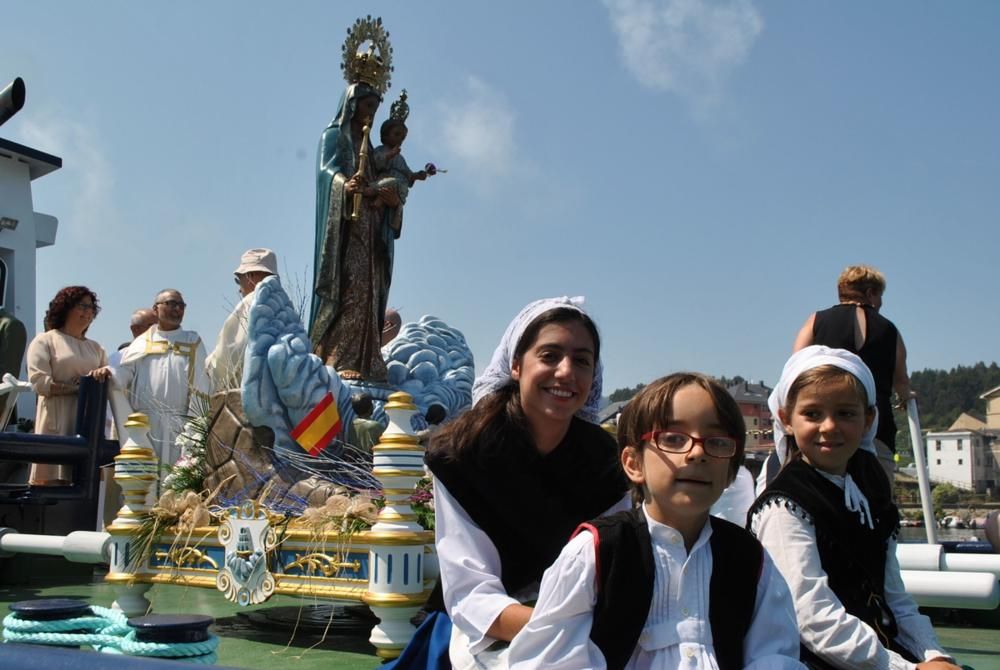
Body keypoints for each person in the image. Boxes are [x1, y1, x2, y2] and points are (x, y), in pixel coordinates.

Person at [508, 373, 803, 670]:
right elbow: (548, 659)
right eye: (674, 439)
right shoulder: (597, 552)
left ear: (730, 470)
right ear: (634, 464)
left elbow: (774, 655)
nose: (698, 453)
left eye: (716, 442)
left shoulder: (750, 559)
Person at [423, 297, 630, 669]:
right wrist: (555, 628)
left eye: (581, 360)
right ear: (516, 365)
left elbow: (614, 572)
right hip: (480, 631)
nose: (566, 372)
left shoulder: (608, 464)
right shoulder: (462, 455)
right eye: (550, 356)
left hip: (582, 634)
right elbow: (470, 589)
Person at [748, 346, 960, 670]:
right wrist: (905, 667)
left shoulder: (870, 489)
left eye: (846, 413)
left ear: (868, 419)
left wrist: (933, 654)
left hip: (880, 655)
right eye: (813, 414)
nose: (830, 426)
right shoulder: (784, 506)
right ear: (786, 419)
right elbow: (812, 617)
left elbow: (894, 597)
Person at [309, 80, 401, 382]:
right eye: (367, 106)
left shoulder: (371, 149)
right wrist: (342, 185)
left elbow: (378, 182)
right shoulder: (334, 135)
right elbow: (326, 173)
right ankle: (339, 355)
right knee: (350, 286)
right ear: (352, 104)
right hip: (345, 229)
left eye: (375, 109)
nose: (371, 115)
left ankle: (367, 359)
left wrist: (388, 200)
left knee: (369, 291)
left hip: (371, 228)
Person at [793, 265, 914, 478]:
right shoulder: (890, 330)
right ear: (871, 293)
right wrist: (906, 399)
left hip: (824, 427)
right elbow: (901, 381)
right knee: (876, 496)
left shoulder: (816, 320)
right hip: (875, 425)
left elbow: (796, 366)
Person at [112, 289, 209, 472]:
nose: (177, 309)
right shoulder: (142, 342)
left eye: (181, 305)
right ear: (155, 309)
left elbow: (201, 386)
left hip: (180, 426)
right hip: (145, 426)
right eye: (171, 303)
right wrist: (109, 374)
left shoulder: (192, 341)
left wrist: (195, 428)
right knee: (144, 482)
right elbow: (124, 374)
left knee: (176, 480)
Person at [25, 286, 110, 486]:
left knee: (86, 483)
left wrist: (102, 376)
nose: (88, 312)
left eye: (92, 308)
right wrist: (76, 388)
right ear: (66, 308)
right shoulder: (45, 341)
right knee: (53, 483)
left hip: (87, 421)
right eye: (83, 306)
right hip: (56, 420)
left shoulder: (96, 348)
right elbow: (39, 383)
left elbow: (109, 384)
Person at [205, 248, 277, 393]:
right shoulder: (285, 305)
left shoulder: (252, 303)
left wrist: (209, 367)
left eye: (239, 280)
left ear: (250, 276)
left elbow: (231, 353)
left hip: (254, 397)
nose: (239, 289)